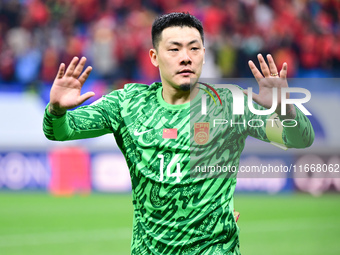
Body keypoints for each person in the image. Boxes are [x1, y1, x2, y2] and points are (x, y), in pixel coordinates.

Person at [43, 12, 314, 255]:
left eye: (194, 48)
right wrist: (55, 110)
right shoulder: (128, 103)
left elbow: (300, 139)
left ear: (204, 54)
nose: (186, 57)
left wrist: (285, 108)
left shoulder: (230, 104)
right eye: (174, 49)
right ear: (154, 57)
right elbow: (61, 131)